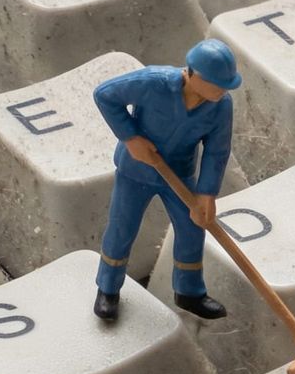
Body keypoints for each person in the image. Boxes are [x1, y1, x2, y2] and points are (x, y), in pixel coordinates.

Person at [92, 40, 239, 322]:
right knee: (122, 228)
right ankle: (107, 288)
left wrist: (207, 193)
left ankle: (189, 291)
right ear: (194, 75)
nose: (223, 91)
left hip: (180, 176)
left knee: (192, 227)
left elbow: (217, 151)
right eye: (218, 85)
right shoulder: (153, 82)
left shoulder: (221, 107)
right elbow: (105, 95)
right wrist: (130, 137)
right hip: (136, 171)